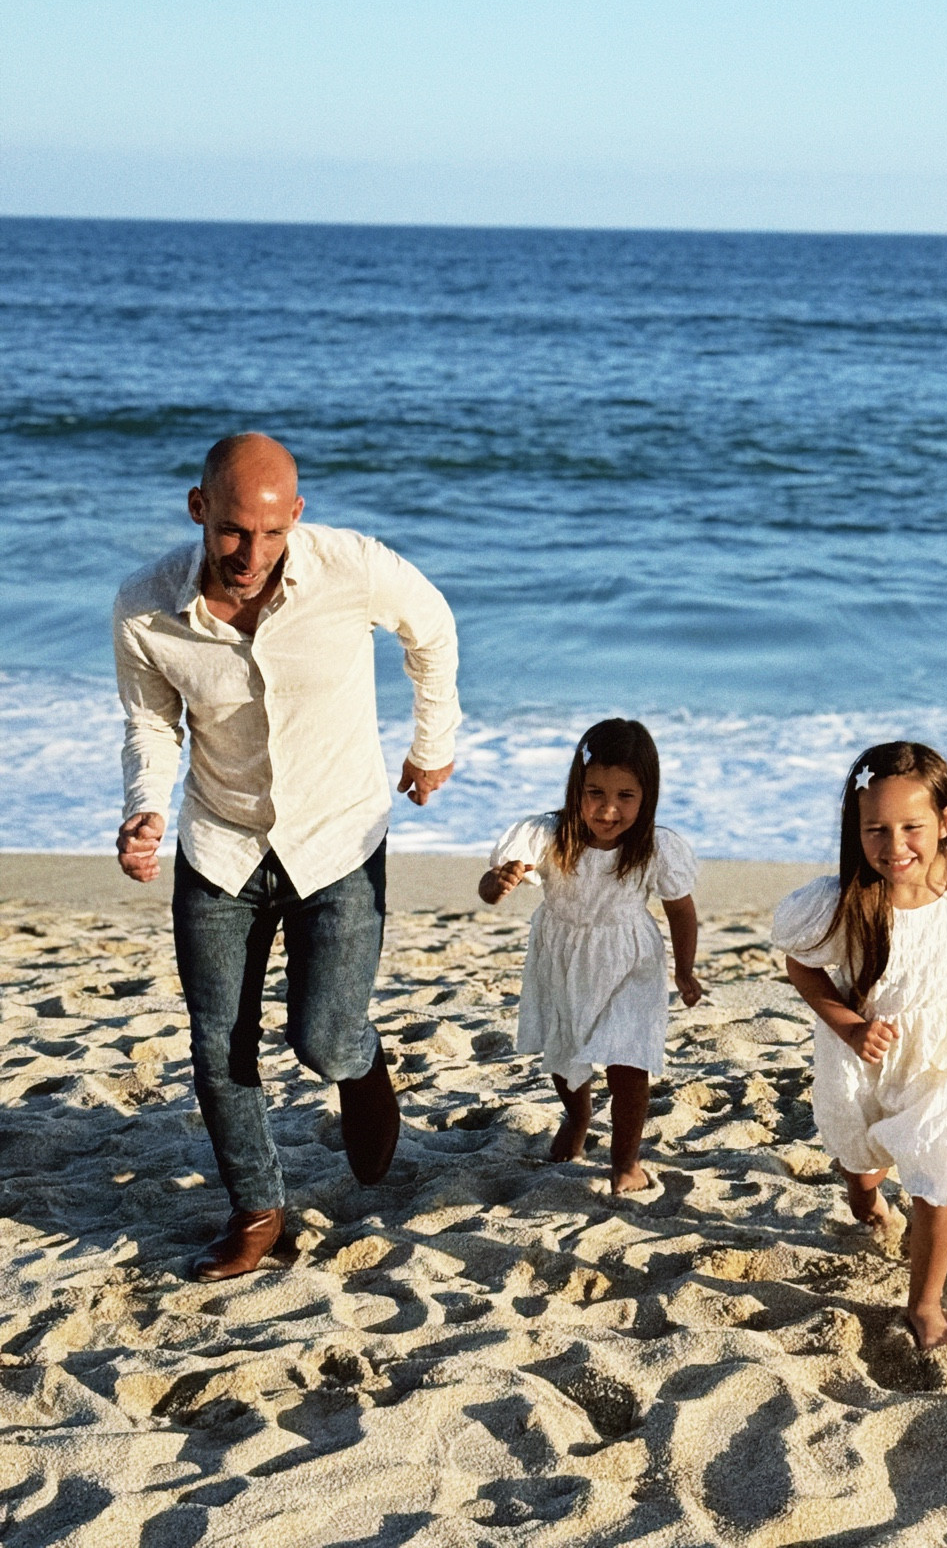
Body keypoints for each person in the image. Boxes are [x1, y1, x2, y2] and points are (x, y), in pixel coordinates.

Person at [113, 432, 460, 1281]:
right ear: (200, 509)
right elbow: (152, 724)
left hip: (338, 838)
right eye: (233, 531)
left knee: (325, 1040)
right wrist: (146, 810)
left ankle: (362, 1063)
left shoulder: (352, 567)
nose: (251, 554)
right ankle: (257, 1210)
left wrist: (433, 742)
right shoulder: (144, 608)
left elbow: (433, 627)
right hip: (221, 843)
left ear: (296, 517)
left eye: (271, 534)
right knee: (219, 1041)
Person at [773, 741, 947, 1350]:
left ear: (944, 822)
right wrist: (848, 1026)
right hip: (864, 1043)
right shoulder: (838, 902)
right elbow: (803, 968)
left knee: (940, 1165)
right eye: (877, 830)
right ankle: (863, 1197)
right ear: (857, 830)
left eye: (911, 827)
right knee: (860, 1150)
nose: (895, 846)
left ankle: (925, 1303)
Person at [480, 717, 701, 1193]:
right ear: (576, 789)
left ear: (647, 797)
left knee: (629, 1064)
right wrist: (496, 886)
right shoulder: (548, 835)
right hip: (562, 958)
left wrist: (685, 969)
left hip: (630, 963)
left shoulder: (654, 848)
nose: (607, 810)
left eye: (626, 796)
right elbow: (491, 882)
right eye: (595, 793)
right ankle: (578, 1116)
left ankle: (626, 1160)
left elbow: (681, 911)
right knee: (565, 1052)